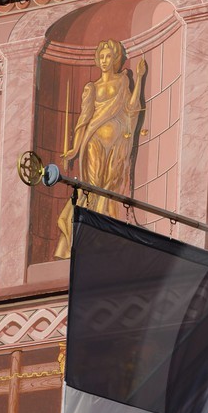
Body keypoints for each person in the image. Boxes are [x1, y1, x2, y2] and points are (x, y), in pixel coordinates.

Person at [54, 38, 147, 258]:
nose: (105, 61)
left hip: (117, 142)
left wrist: (140, 78)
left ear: (116, 59)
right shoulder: (92, 88)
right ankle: (88, 233)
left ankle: (105, 231)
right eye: (102, 57)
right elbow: (84, 121)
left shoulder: (124, 82)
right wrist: (75, 149)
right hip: (93, 141)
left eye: (109, 56)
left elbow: (132, 109)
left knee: (111, 185)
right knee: (94, 186)